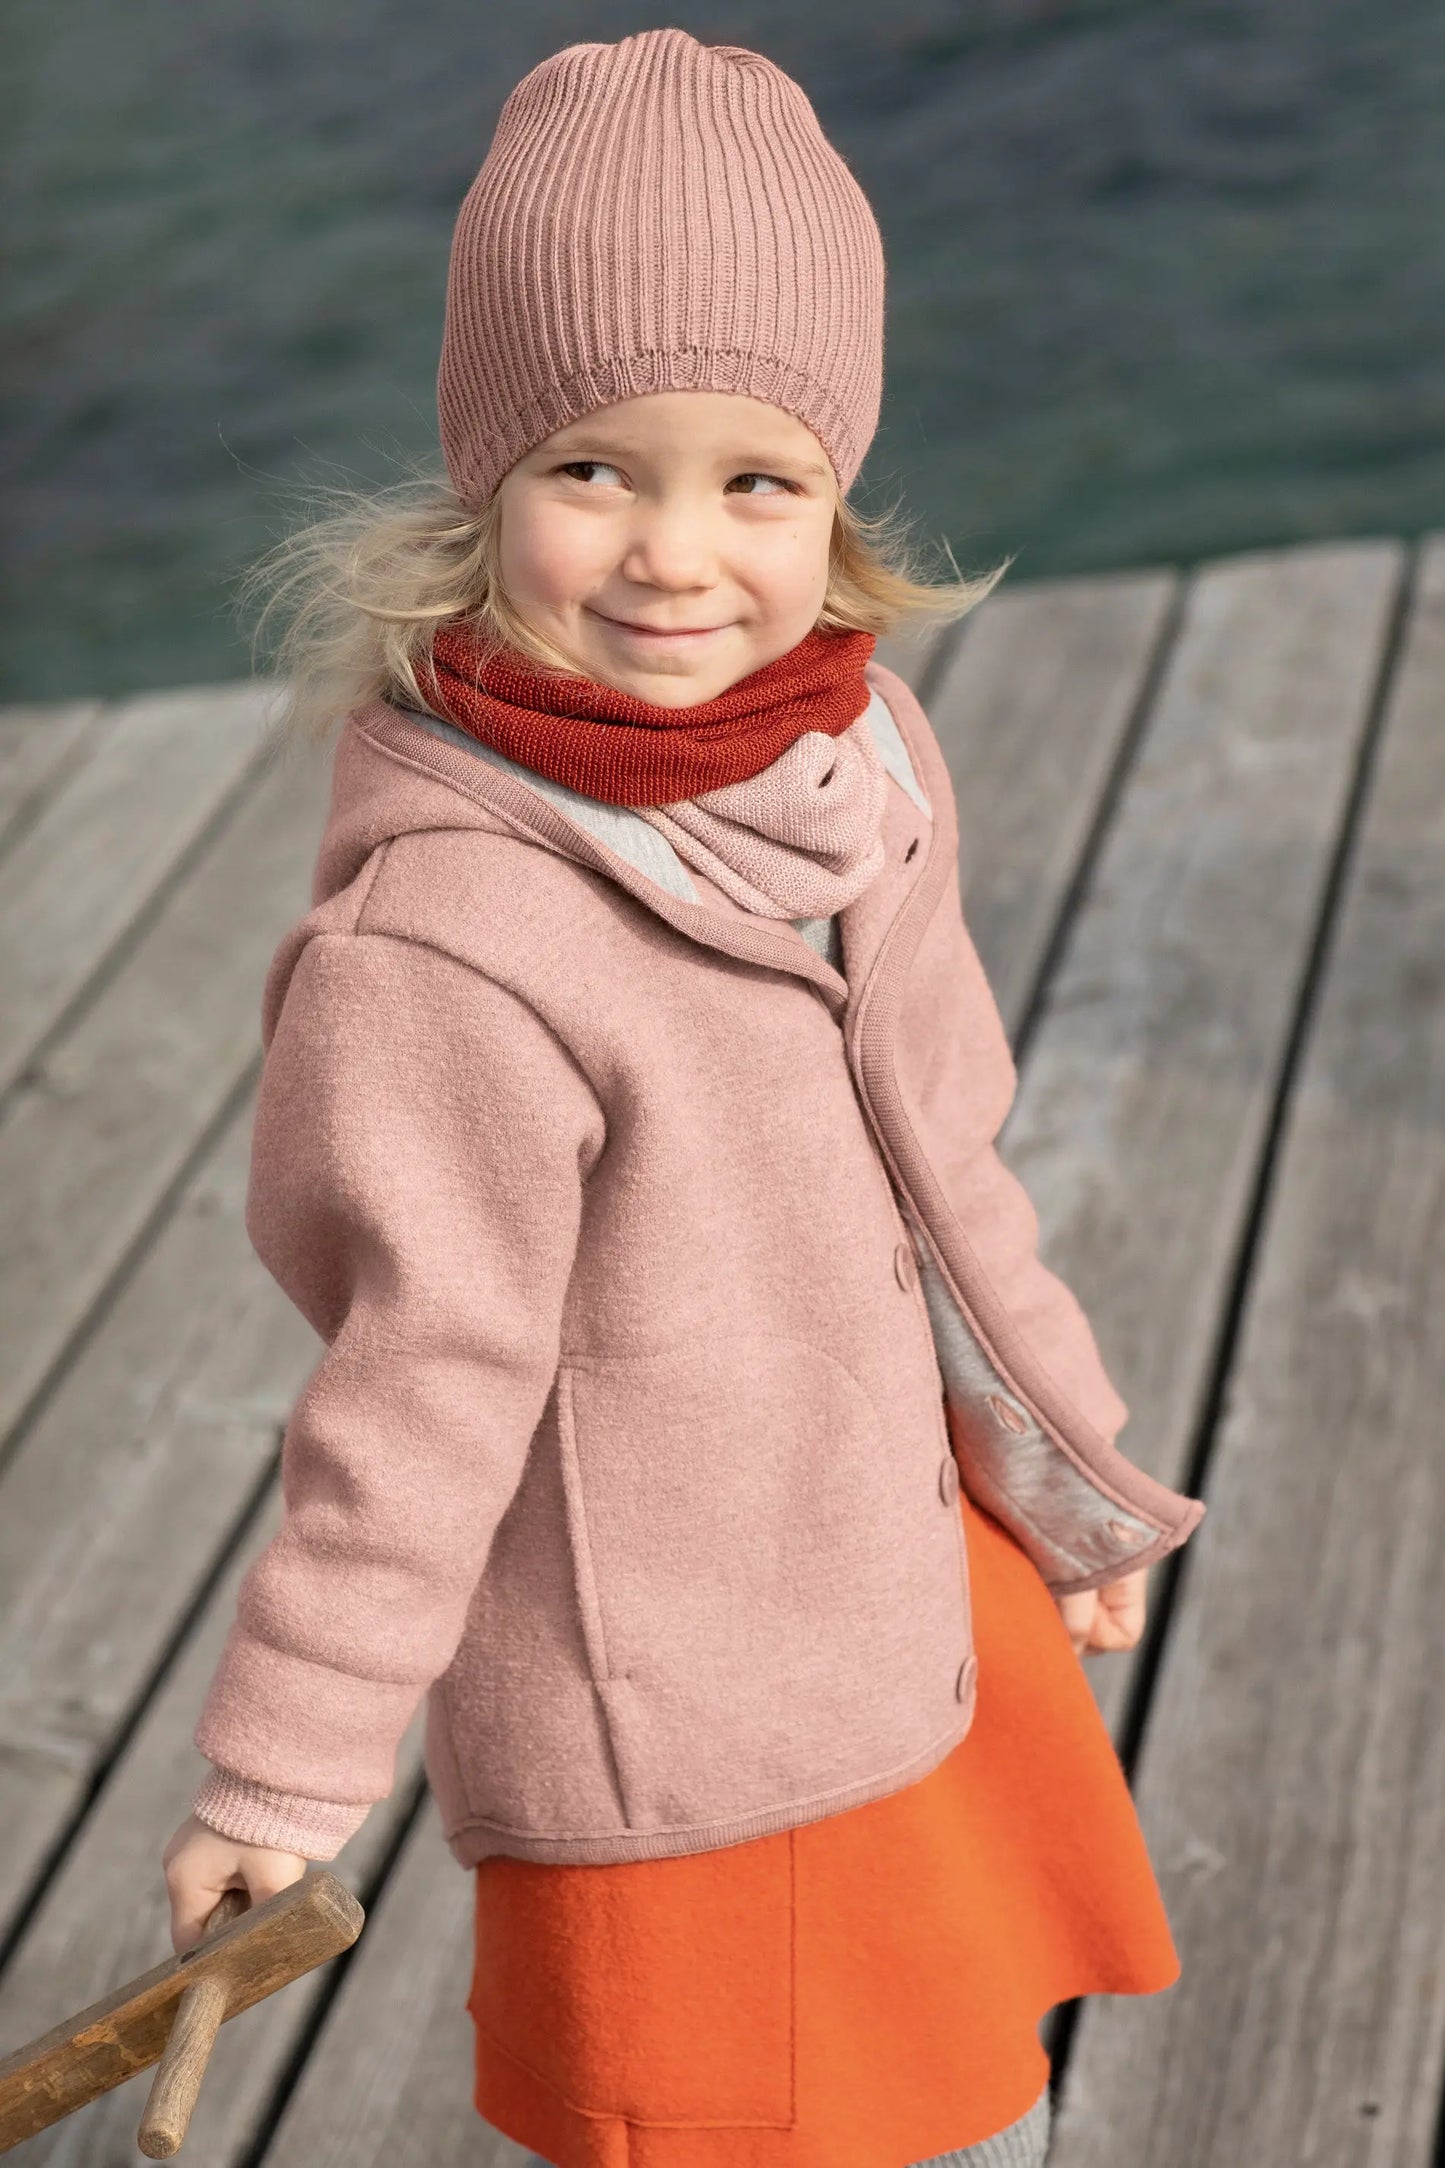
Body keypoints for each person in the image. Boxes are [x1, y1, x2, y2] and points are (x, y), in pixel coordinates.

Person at [161, 29, 1205, 2168]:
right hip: (689, 1719)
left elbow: (949, 1174)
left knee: (977, 2105)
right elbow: (416, 1384)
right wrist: (281, 1771)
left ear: (840, 500)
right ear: (484, 481)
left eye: (760, 480)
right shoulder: (450, 945)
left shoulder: (859, 769)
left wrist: (1061, 1468)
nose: (674, 554)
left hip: (910, 1585)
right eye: (591, 469)